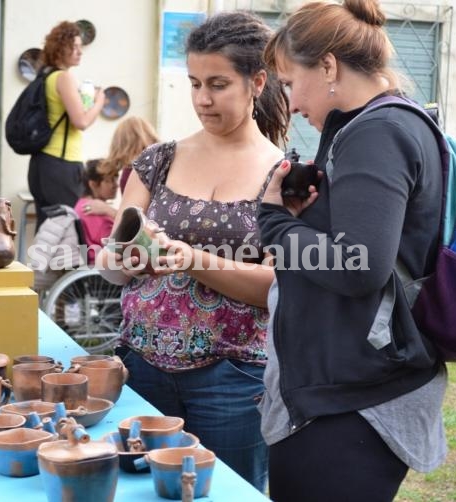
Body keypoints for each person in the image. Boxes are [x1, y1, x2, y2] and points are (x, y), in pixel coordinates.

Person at [256, 1, 447, 500]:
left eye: (290, 82)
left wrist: (274, 225)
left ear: (328, 66)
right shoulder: (370, 125)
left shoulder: (378, 132)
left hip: (354, 401)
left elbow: (357, 265)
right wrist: (307, 215)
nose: (291, 103)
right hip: (347, 388)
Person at [96, 11, 289, 491]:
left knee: (229, 492)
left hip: (234, 377)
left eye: (219, 84)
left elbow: (277, 286)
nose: (203, 99)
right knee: (140, 491)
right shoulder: (158, 160)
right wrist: (125, 259)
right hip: (141, 365)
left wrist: (192, 259)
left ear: (257, 81)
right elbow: (111, 261)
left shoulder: (284, 175)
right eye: (195, 83)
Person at [28, 20, 105, 232]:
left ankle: (40, 266)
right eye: (75, 47)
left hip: (41, 164)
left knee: (47, 228)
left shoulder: (46, 76)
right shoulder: (64, 78)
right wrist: (99, 101)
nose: (80, 52)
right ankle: (63, 267)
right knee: (68, 229)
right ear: (61, 48)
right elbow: (81, 121)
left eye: (81, 47)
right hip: (61, 165)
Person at [74, 158, 118, 263]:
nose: (116, 185)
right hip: (105, 269)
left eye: (116, 179)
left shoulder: (82, 204)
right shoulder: (92, 210)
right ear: (93, 184)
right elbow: (120, 243)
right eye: (109, 180)